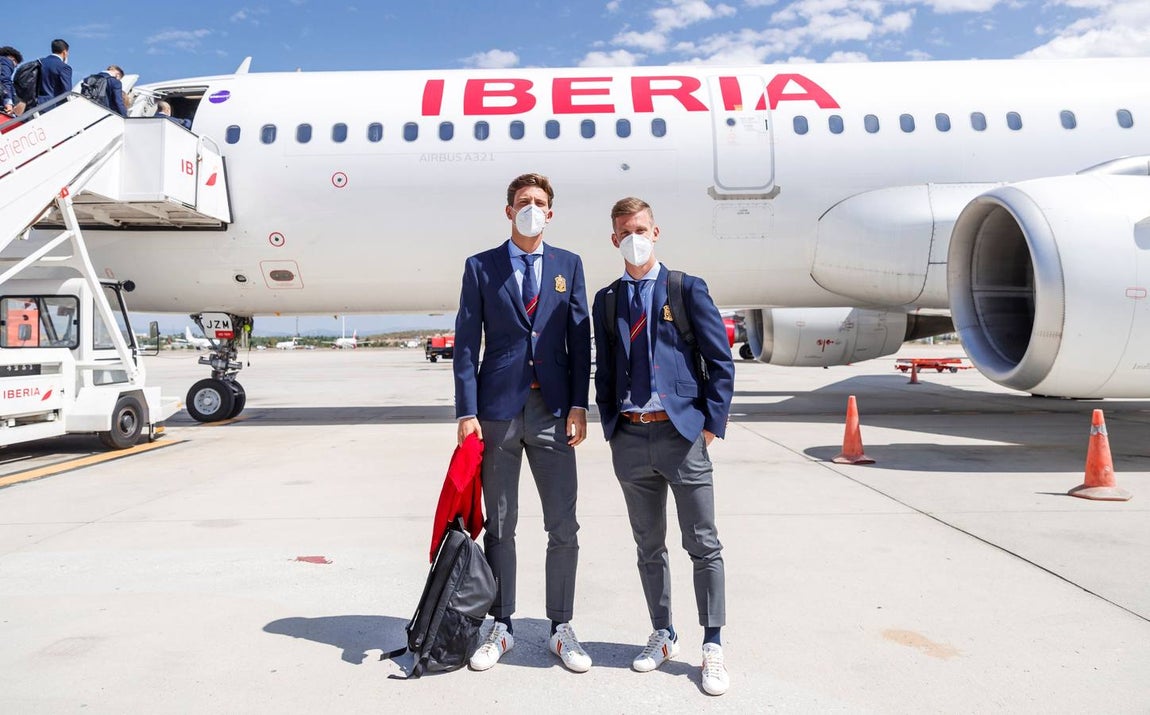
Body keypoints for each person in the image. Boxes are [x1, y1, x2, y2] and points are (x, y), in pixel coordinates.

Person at [591, 197, 735, 696]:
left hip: (681, 435)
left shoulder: (685, 289)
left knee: (703, 543)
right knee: (648, 546)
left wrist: (709, 427)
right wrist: (611, 426)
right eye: (625, 232)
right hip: (630, 437)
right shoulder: (608, 300)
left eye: (642, 229)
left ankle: (712, 644)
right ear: (614, 239)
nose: (634, 238)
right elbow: (606, 369)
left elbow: (720, 361)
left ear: (656, 232)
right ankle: (663, 633)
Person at [453, 172, 593, 673]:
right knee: (501, 524)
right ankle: (502, 623)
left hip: (553, 411)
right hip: (498, 413)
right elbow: (466, 344)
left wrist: (579, 405)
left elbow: (579, 341)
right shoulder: (480, 266)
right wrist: (466, 412)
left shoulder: (568, 265)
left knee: (563, 524)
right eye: (522, 201)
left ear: (550, 212)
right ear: (509, 210)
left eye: (539, 201)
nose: (531, 208)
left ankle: (561, 627)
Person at [36, 39, 71, 107]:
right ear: (64, 52)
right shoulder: (64, 67)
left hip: (33, 106)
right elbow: (66, 93)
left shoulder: (39, 62)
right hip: (51, 106)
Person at [0, 46, 23, 117]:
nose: (15, 67)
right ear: (12, 59)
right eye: (15, 64)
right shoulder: (6, 61)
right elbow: (5, 80)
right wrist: (8, 102)